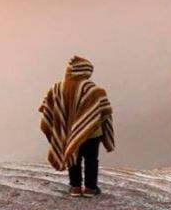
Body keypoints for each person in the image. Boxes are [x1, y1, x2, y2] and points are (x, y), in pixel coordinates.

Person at [39, 56, 115, 197]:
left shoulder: (56, 88)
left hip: (67, 132)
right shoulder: (95, 91)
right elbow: (105, 112)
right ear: (86, 71)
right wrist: (91, 122)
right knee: (91, 160)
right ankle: (90, 189)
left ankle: (75, 187)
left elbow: (46, 109)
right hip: (92, 133)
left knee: (73, 157)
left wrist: (64, 123)